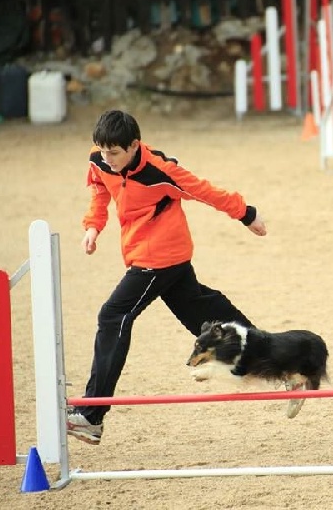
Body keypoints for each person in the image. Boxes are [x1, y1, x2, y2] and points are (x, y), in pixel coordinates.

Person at [66, 110, 267, 445]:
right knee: (200, 310)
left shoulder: (161, 171)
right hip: (147, 251)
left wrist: (247, 214)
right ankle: (263, 353)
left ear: (134, 146)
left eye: (114, 153)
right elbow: (100, 191)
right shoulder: (99, 160)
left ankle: (92, 415)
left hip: (158, 255)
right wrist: (92, 227)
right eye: (102, 151)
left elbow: (204, 191)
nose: (107, 158)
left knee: (113, 314)